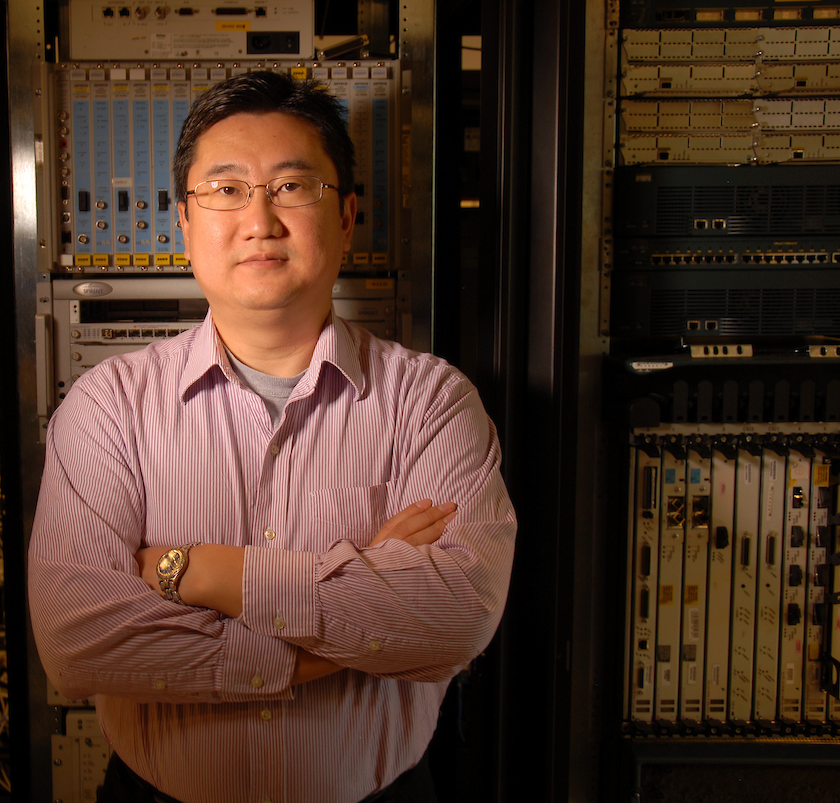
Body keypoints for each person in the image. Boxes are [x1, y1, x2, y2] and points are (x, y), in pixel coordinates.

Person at [28, 70, 516, 803]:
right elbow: (78, 642)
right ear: (185, 223)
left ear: (348, 216)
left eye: (294, 187)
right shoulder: (108, 408)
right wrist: (345, 625)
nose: (260, 219)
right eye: (226, 190)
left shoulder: (431, 402)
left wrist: (198, 572)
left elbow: (456, 618)